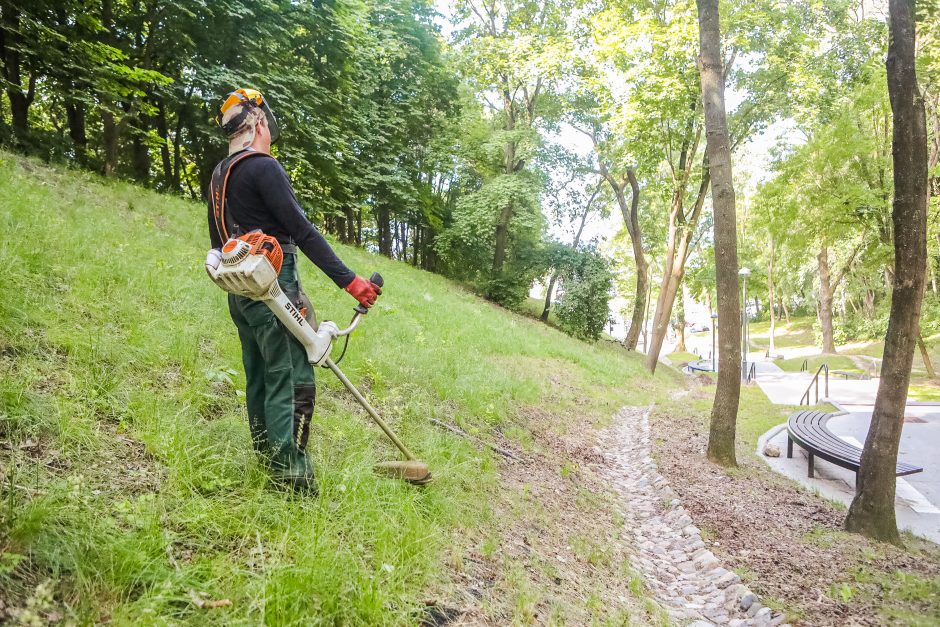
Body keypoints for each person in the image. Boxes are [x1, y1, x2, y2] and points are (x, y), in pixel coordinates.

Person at [207, 88, 381, 494]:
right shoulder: (264, 167)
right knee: (288, 376)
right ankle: (292, 481)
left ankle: (268, 460)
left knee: (260, 376)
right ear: (260, 123)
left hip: (239, 290)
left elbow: (217, 243)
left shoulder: (220, 174)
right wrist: (351, 281)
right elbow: (302, 231)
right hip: (273, 286)